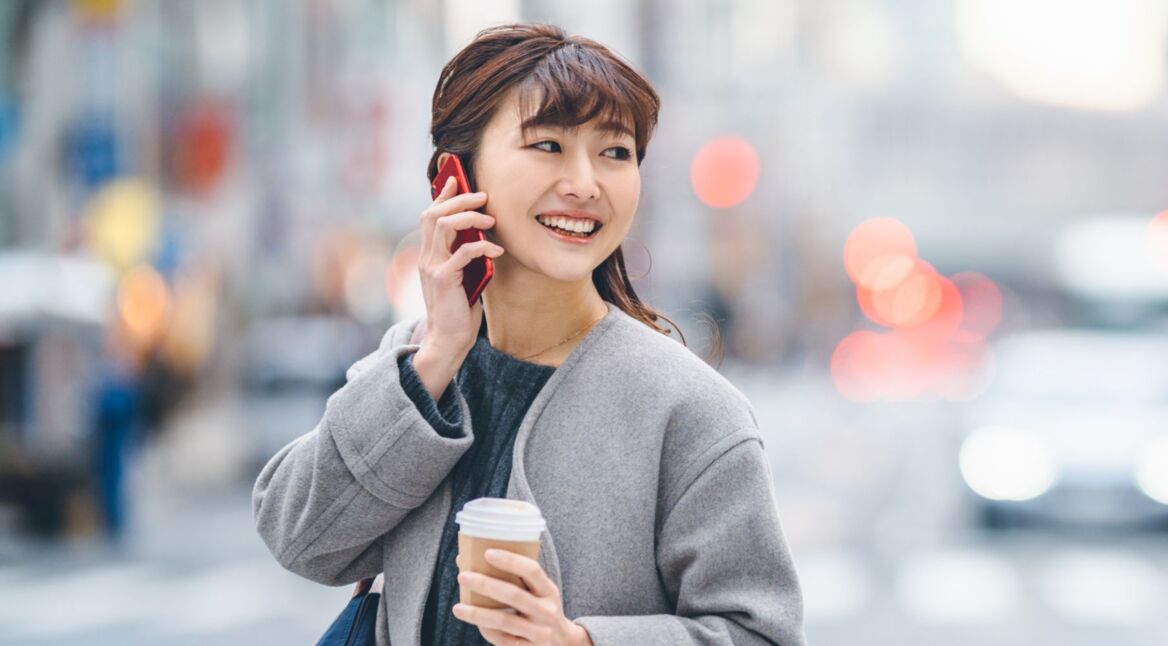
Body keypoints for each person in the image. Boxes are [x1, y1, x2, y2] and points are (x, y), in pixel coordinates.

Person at [253, 23, 804, 646]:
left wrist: (581, 643)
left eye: (615, 152)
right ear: (455, 177)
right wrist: (436, 356)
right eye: (547, 145)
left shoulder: (692, 411)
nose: (585, 183)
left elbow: (761, 633)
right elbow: (300, 540)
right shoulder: (415, 366)